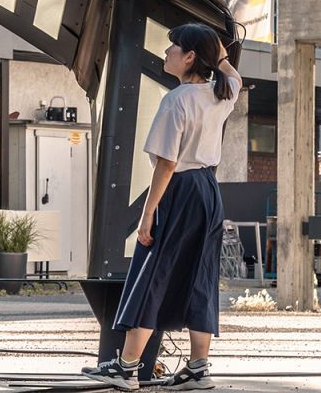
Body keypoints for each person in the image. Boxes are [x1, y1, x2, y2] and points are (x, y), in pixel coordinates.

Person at [82, 22, 242, 391]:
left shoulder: (178, 100)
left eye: (174, 48)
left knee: (153, 271)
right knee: (201, 274)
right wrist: (219, 54)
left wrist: (147, 213)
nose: (166, 53)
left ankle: (126, 367)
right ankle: (198, 367)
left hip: (180, 190)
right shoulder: (221, 92)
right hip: (208, 190)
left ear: (189, 57)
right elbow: (230, 70)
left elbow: (167, 165)